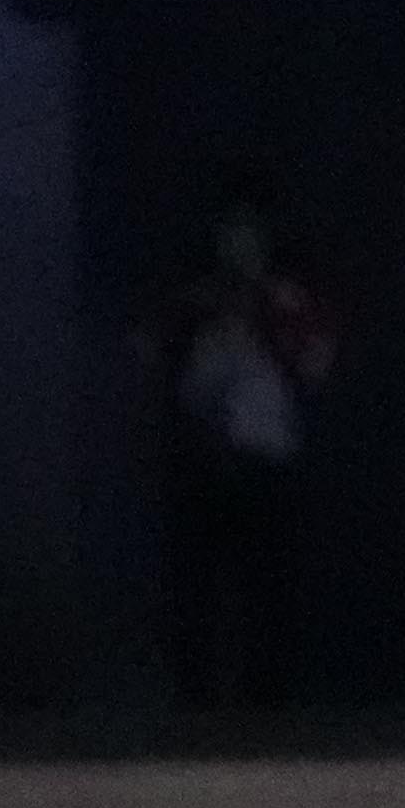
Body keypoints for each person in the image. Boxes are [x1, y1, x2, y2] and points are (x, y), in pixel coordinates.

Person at [159, 207, 335, 714]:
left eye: (249, 241)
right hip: (206, 462)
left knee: (269, 587)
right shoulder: (195, 304)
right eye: (230, 240)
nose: (240, 253)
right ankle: (197, 699)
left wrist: (274, 324)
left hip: (266, 459)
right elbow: (162, 366)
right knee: (200, 589)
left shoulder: (285, 302)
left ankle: (268, 700)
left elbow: (317, 364)